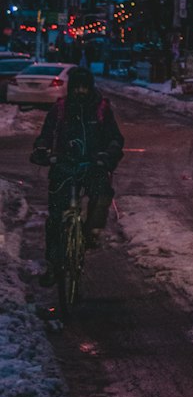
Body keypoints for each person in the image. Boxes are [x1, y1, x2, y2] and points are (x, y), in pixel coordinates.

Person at [30, 67, 124, 284]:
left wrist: (108, 155)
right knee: (55, 219)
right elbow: (45, 135)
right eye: (77, 87)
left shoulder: (101, 108)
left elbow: (115, 138)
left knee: (101, 195)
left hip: (93, 166)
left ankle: (91, 233)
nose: (80, 91)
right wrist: (42, 151)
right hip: (63, 166)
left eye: (84, 87)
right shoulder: (61, 109)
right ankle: (54, 266)